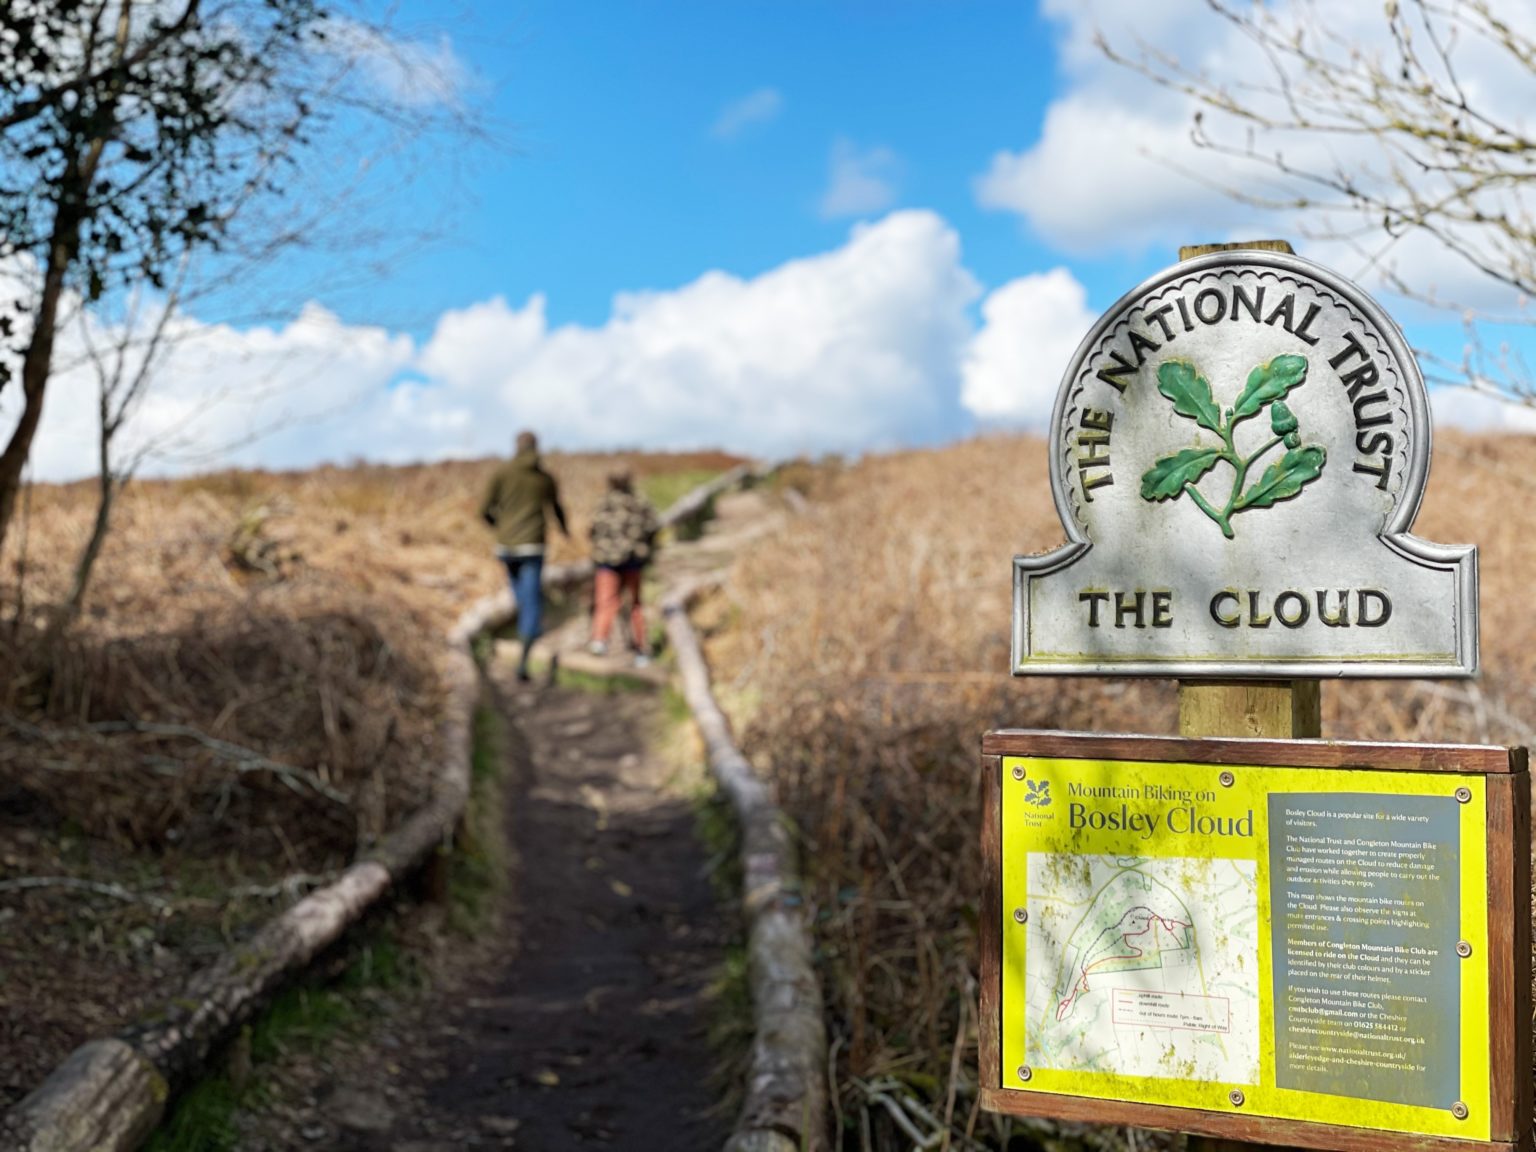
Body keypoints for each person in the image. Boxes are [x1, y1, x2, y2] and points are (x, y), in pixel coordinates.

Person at [481, 431, 568, 682]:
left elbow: (484, 510)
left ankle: (526, 639)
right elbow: (557, 509)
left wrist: (499, 527)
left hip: (506, 547)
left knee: (522, 595)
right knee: (531, 600)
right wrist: (565, 530)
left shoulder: (501, 473)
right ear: (536, 447)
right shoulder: (544, 477)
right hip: (532, 547)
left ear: (516, 447)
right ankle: (524, 656)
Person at [588, 469, 660, 666]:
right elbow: (653, 527)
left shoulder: (604, 504)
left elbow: (592, 530)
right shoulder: (639, 502)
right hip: (633, 561)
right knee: (635, 604)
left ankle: (600, 640)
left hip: (607, 562)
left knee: (606, 601)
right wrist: (646, 551)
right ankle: (641, 649)